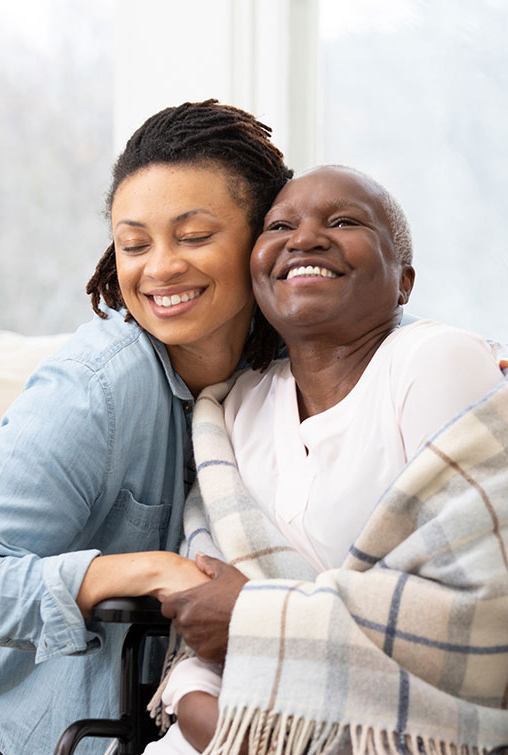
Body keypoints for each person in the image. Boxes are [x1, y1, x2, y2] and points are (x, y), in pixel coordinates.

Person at [155, 166, 508, 754]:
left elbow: (483, 611)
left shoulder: (435, 361)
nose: (304, 239)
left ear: (405, 283)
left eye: (343, 222)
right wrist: (214, 720)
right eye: (281, 226)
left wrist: (253, 614)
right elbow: (201, 626)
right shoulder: (234, 410)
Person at [0, 100, 292, 755]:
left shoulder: (288, 373)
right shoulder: (98, 385)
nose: (158, 268)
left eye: (192, 237)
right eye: (134, 244)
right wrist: (142, 569)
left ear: (264, 236)